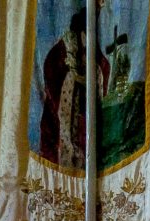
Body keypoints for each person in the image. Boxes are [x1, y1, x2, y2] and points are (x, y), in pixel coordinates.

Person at [39, 8, 109, 170]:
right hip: (67, 99)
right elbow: (51, 69)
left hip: (83, 101)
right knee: (65, 138)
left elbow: (103, 65)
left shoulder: (91, 42)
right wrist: (72, 75)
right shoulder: (65, 46)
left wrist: (93, 73)